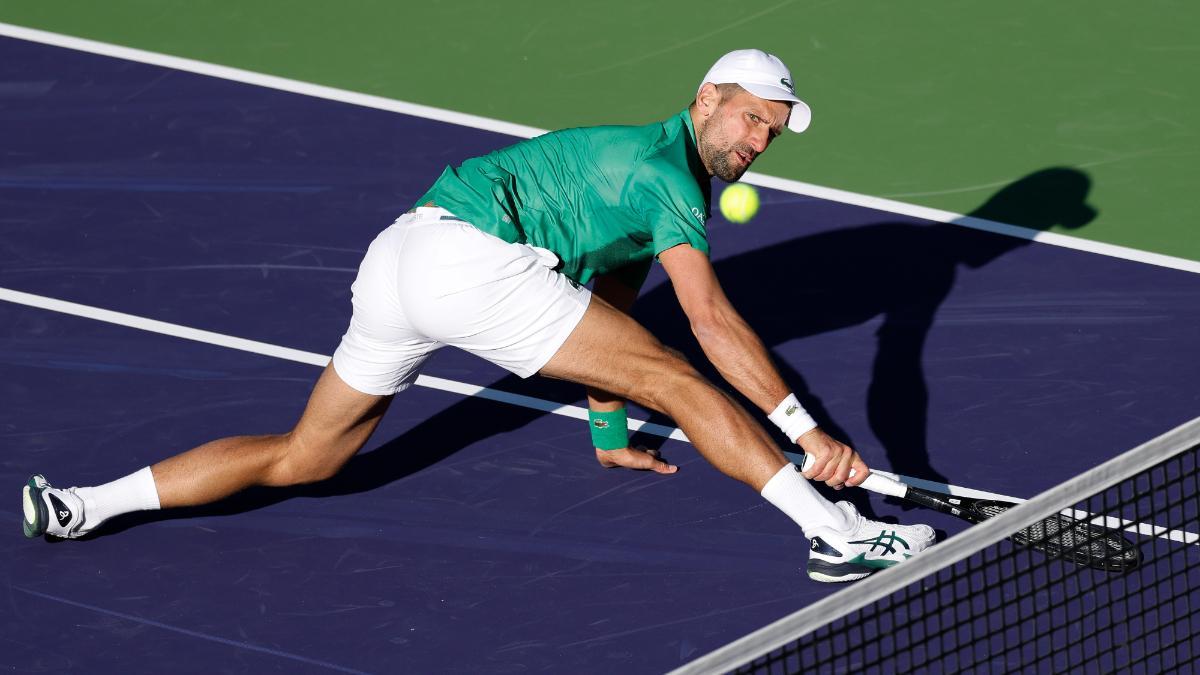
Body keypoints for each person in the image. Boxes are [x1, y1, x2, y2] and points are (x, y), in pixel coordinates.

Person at [21, 49, 934, 582]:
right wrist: (802, 428)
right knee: (682, 379)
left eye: (771, 132)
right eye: (748, 121)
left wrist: (608, 428)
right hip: (470, 261)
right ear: (705, 100)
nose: (756, 143)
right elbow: (709, 321)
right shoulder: (668, 182)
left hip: (402, 257)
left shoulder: (637, 164)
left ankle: (81, 504)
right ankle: (837, 533)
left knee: (311, 455)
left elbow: (609, 295)